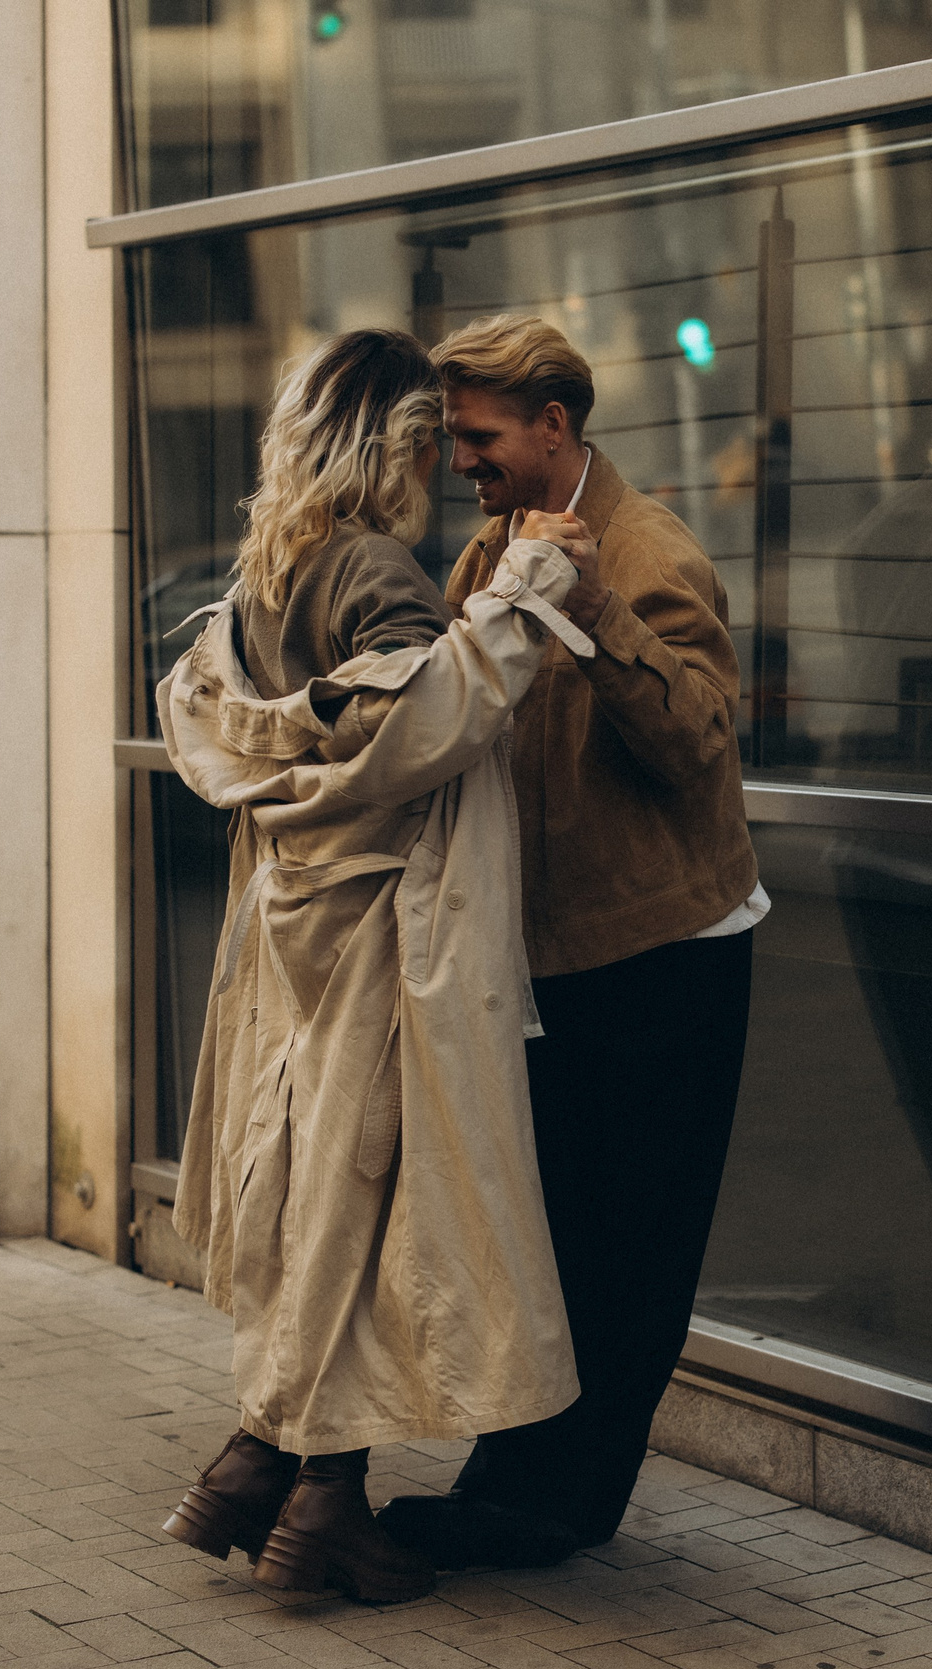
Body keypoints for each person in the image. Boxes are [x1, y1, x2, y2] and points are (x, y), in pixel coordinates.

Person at [154, 329, 605, 1603]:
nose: (450, 463)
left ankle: (262, 1465)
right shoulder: (371, 569)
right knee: (366, 1210)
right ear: (396, 442)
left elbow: (263, 738)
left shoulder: (268, 570)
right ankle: (323, 1500)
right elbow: (410, 735)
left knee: (327, 1200)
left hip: (299, 921)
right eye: (437, 439)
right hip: (385, 931)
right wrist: (521, 602)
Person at [374, 314, 764, 1568]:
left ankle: (553, 1505)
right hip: (548, 955)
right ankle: (524, 1482)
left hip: (663, 953)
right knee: (549, 1233)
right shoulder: (490, 548)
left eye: (479, 438)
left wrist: (588, 603)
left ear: (555, 425)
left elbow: (697, 738)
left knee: (625, 1247)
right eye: (451, 439)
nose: (459, 464)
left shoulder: (650, 557)